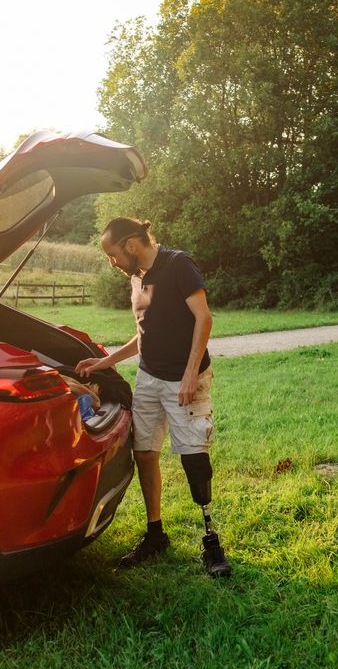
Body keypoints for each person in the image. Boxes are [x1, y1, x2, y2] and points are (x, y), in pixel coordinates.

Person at [76, 217, 231, 578]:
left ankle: (211, 541)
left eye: (113, 254)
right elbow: (144, 333)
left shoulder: (179, 264)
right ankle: (155, 534)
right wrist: (106, 360)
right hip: (148, 377)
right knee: (144, 453)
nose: (112, 263)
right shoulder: (136, 277)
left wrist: (191, 373)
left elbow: (203, 319)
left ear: (131, 245)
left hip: (185, 378)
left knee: (194, 459)